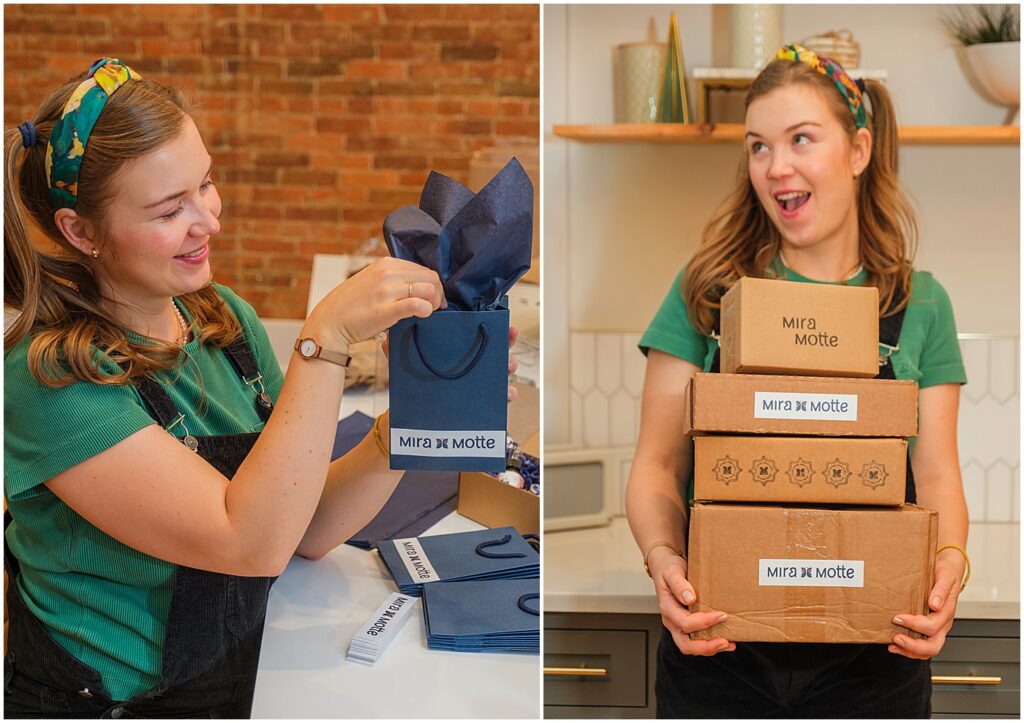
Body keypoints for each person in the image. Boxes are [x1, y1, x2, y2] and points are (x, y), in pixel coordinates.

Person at [3, 58, 516, 717]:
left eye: (205, 185)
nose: (208, 220)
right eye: (169, 209)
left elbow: (301, 524)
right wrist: (321, 341)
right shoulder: (51, 381)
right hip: (117, 702)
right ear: (80, 230)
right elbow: (249, 540)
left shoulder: (223, 322)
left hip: (240, 670)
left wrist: (414, 419)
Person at [626, 45, 969, 718]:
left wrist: (950, 565)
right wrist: (664, 558)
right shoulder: (708, 291)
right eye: (758, 146)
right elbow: (658, 465)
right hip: (720, 652)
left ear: (860, 149)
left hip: (874, 659)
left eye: (800, 139)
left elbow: (936, 476)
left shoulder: (919, 303)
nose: (775, 166)